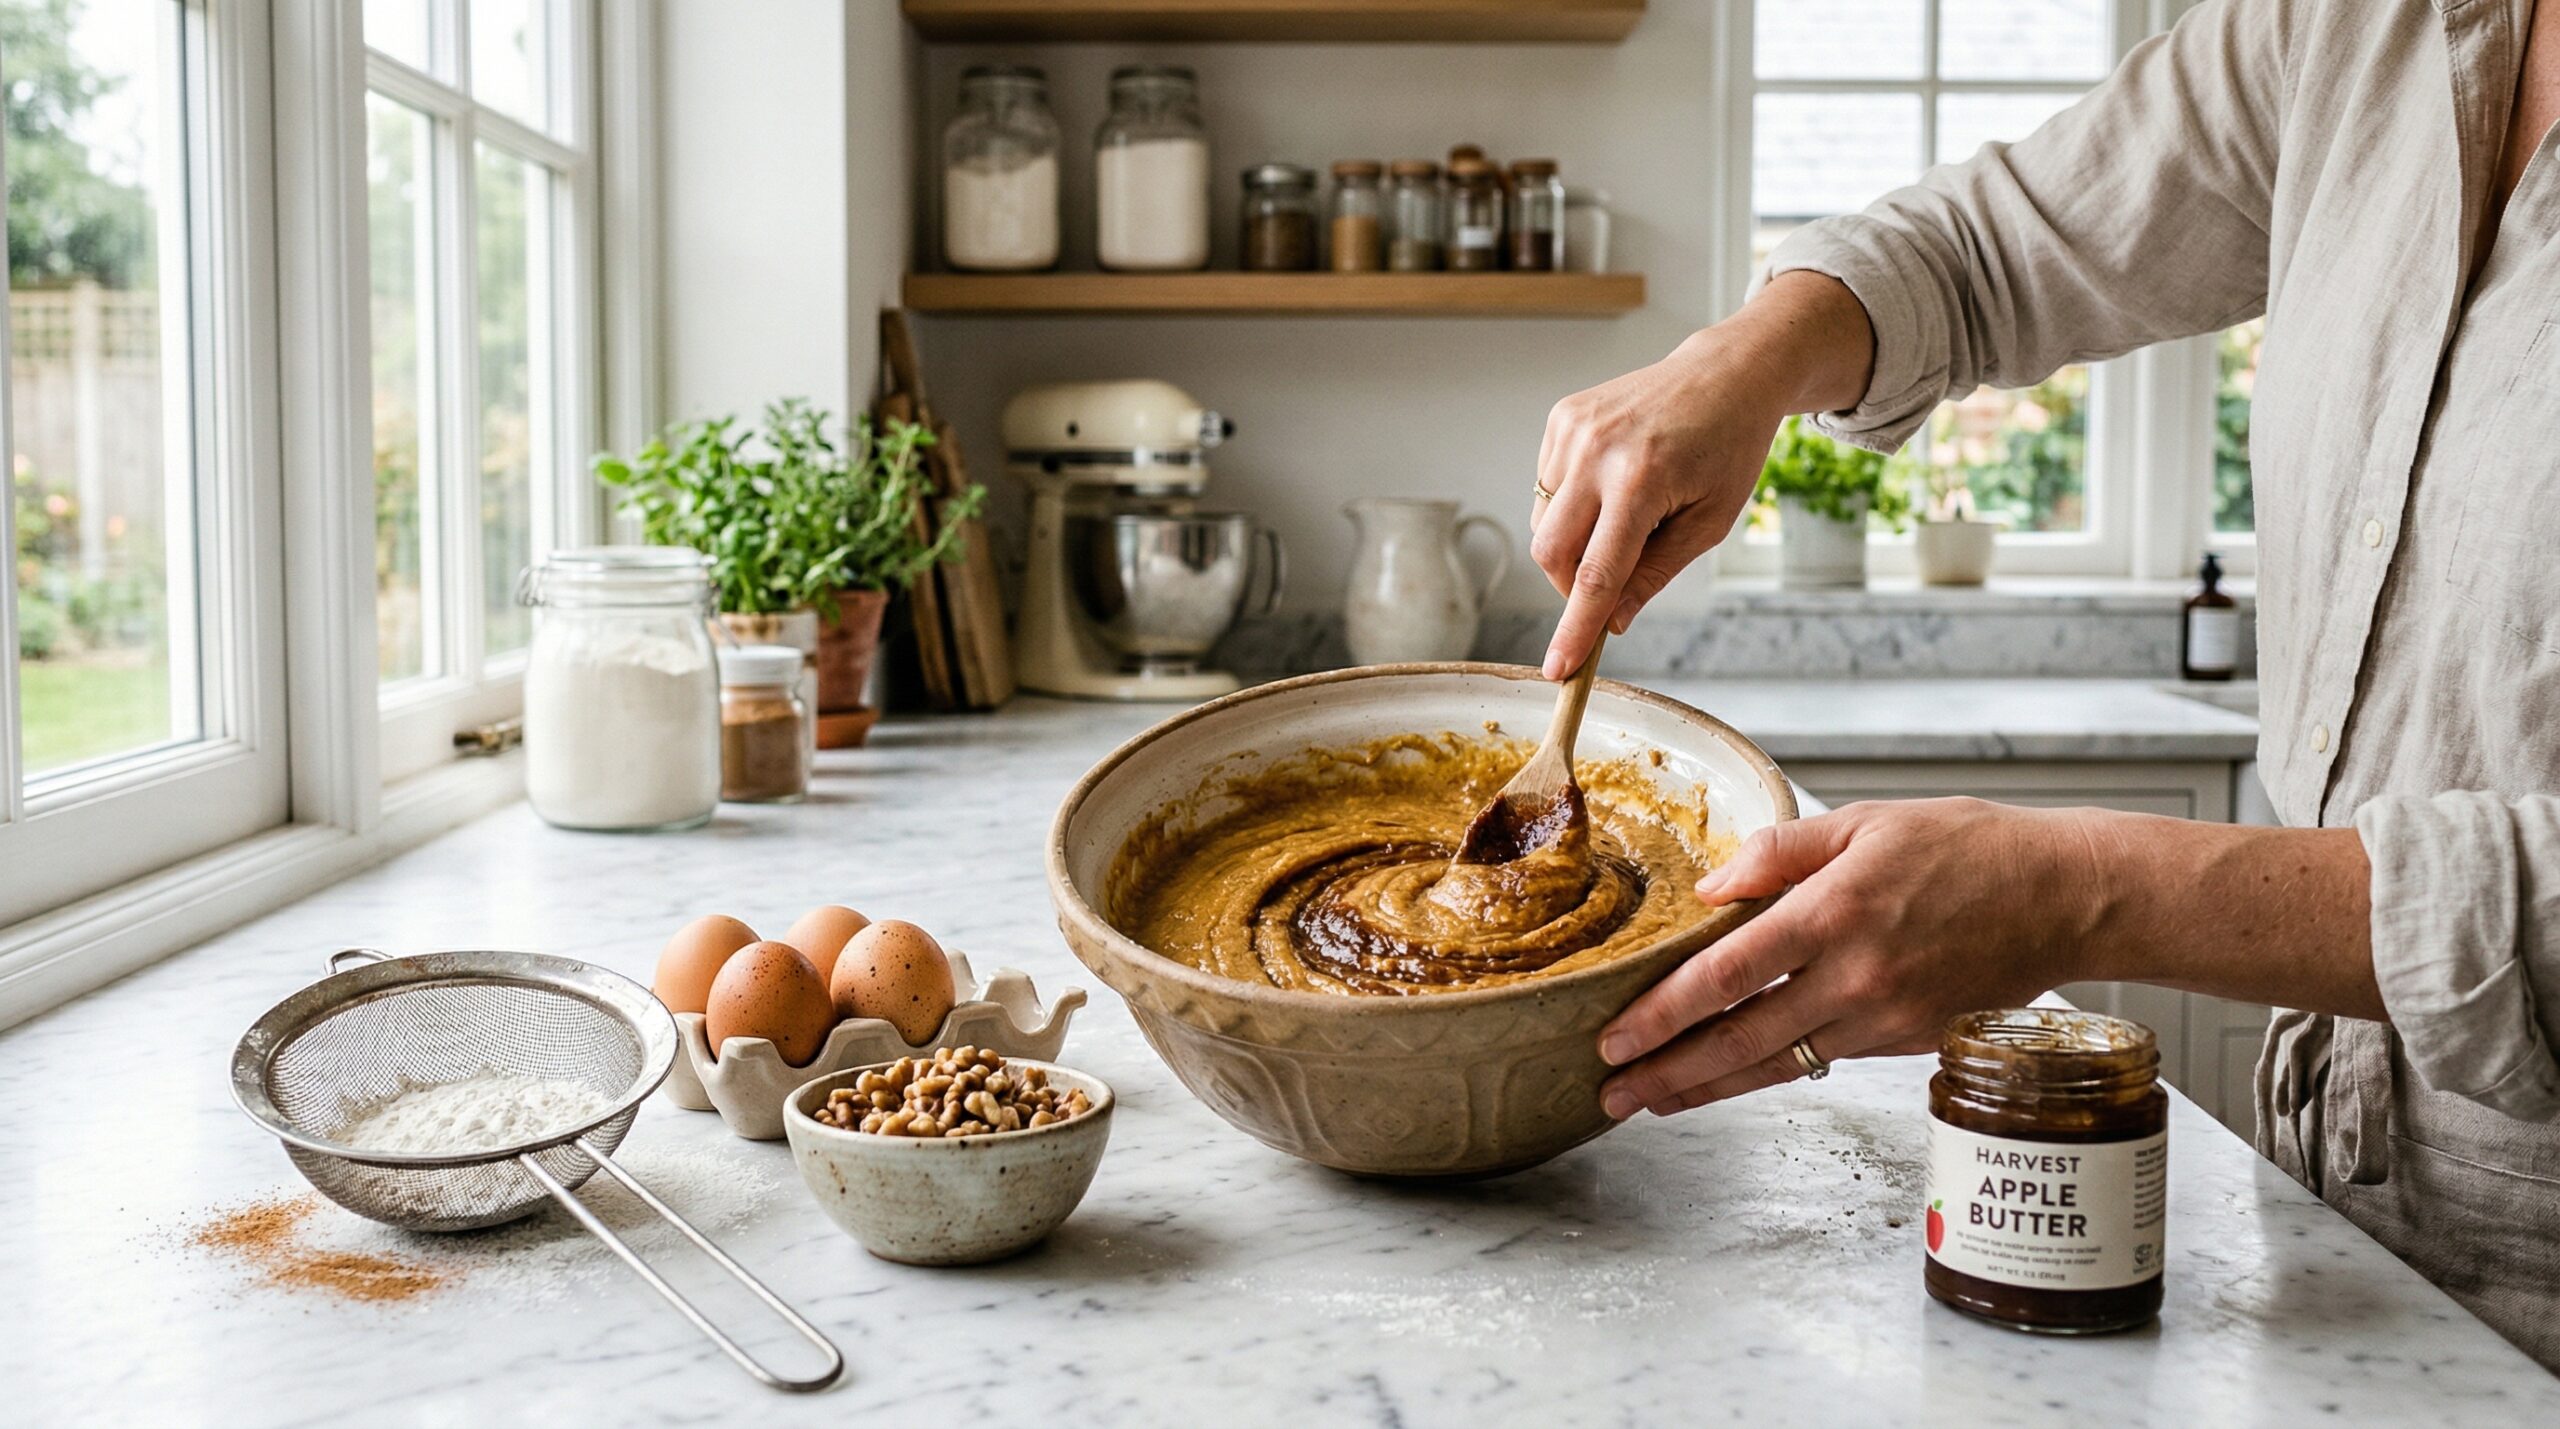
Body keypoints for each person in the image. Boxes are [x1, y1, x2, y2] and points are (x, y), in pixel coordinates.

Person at [1535, 0, 2560, 1369]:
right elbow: (1996, 245)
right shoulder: (2359, 28)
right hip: (2344, 1226)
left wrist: (2086, 887)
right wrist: (1757, 353)